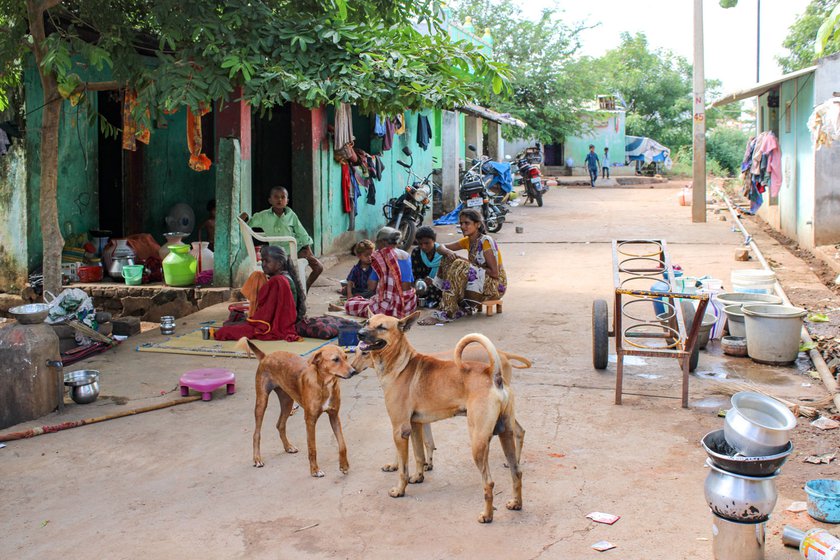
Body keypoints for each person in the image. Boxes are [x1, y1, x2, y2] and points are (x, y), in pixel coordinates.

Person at [418, 209, 506, 325]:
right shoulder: (468, 241)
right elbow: (439, 247)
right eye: (461, 223)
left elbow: (494, 273)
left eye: (467, 223)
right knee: (447, 258)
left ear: (477, 224)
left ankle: (448, 311)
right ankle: (447, 303)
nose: (463, 226)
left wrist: (467, 264)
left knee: (460, 264)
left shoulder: (486, 242)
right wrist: (448, 252)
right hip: (480, 282)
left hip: (495, 285)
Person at [241, 186, 323, 291]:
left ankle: (304, 289)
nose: (279, 200)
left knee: (318, 267)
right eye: (276, 197)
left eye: (283, 197)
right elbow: (248, 224)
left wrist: (309, 252)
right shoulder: (263, 216)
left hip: (294, 249)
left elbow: (302, 234)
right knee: (285, 274)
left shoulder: (291, 215)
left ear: (287, 201)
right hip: (276, 253)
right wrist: (244, 218)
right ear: (270, 200)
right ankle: (290, 292)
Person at [214, 245, 304, 342]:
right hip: (277, 322)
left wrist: (250, 322)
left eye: (267, 261)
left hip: (274, 325)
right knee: (257, 276)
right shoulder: (281, 277)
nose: (263, 264)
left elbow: (266, 315)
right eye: (262, 261)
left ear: (280, 263)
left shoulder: (278, 281)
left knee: (224, 331)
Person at [343, 227, 417, 318]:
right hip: (407, 306)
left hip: (386, 308)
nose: (376, 245)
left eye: (377, 242)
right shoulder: (406, 255)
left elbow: (371, 286)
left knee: (350, 304)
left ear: (383, 242)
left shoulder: (379, 256)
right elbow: (407, 285)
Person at [411, 226, 442, 308]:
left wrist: (435, 281)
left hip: (439, 286)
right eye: (420, 244)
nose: (423, 247)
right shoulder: (416, 252)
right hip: (422, 286)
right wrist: (421, 281)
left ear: (434, 241)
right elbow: (414, 274)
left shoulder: (442, 253)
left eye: (427, 243)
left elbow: (448, 277)